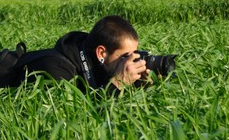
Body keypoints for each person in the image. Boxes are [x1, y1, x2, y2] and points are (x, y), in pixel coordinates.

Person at [19, 15, 149, 92]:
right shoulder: (54, 70)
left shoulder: (97, 65)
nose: (130, 62)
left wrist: (140, 86)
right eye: (125, 56)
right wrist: (118, 84)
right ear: (101, 53)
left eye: (135, 54)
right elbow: (77, 121)